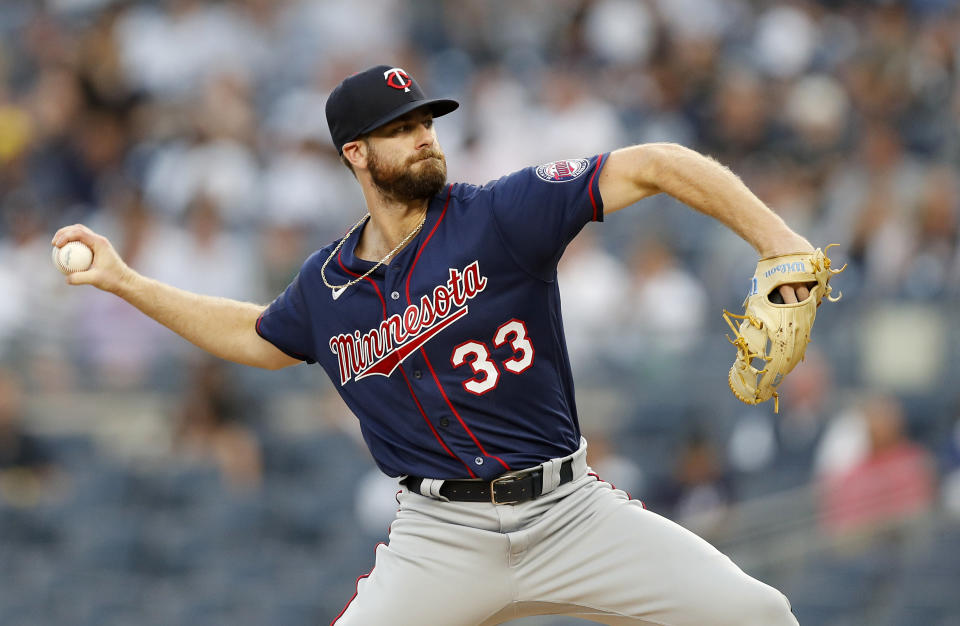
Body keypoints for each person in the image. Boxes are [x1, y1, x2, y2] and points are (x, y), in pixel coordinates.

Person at [53, 65, 815, 625]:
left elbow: (653, 164)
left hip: (569, 512)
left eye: (426, 122)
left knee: (760, 616)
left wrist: (778, 241)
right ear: (356, 153)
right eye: (401, 128)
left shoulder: (499, 215)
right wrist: (125, 280)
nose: (424, 137)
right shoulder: (327, 286)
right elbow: (256, 337)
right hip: (440, 537)